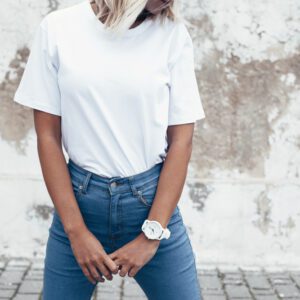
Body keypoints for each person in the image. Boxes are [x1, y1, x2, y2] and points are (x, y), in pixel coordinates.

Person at [13, 0, 206, 299]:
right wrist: (75, 232)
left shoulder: (172, 35)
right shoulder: (58, 29)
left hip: (150, 206)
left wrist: (151, 235)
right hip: (79, 206)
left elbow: (182, 141)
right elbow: (47, 137)